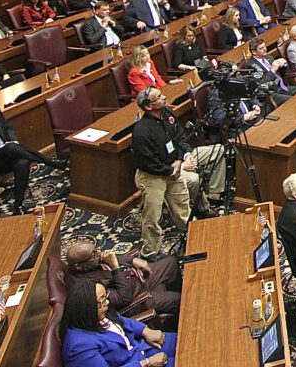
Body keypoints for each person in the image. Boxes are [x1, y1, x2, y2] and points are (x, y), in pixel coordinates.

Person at [132, 87, 225, 257]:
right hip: (153, 177)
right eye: (158, 97)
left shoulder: (168, 114)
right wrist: (171, 170)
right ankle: (150, 253)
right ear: (148, 107)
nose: (164, 97)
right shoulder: (141, 131)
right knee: (152, 218)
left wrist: (181, 159)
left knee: (183, 210)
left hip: (173, 171)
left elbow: (178, 139)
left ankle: (194, 240)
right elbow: (146, 162)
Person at [60, 280, 176, 367]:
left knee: (187, 340)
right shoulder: (79, 346)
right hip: (138, 363)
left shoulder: (99, 313)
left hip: (141, 347)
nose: (107, 302)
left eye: (106, 296)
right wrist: (146, 363)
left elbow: (121, 321)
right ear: (87, 307)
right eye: (102, 300)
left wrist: (145, 330)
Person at [62, 240, 181, 319]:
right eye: (93, 255)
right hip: (138, 300)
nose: (99, 253)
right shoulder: (88, 287)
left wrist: (132, 260)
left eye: (96, 249)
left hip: (137, 278)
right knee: (179, 299)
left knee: (171, 263)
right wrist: (115, 267)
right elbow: (123, 299)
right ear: (78, 266)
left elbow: (111, 257)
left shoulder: (87, 263)